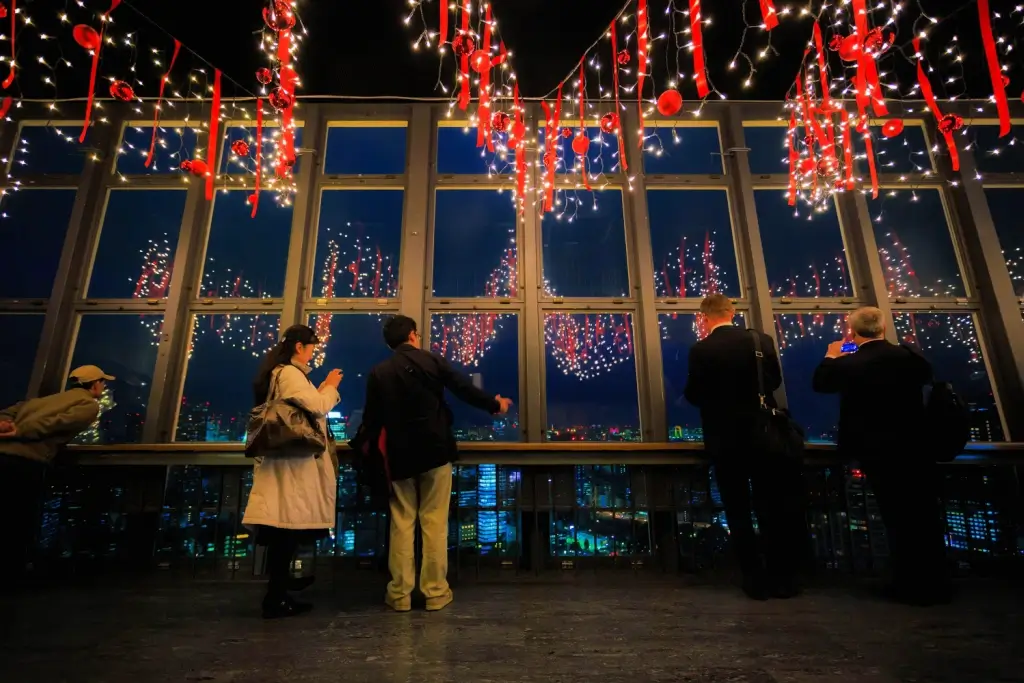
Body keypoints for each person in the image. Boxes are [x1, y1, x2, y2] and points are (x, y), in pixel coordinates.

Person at [361, 315, 511, 612]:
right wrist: (496, 404)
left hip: (399, 455)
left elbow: (371, 419)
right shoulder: (431, 362)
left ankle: (400, 594)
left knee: (402, 523)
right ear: (413, 335)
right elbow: (463, 389)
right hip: (435, 451)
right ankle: (434, 592)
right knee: (434, 522)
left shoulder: (379, 372)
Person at [812, 306, 950, 605]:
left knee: (896, 518)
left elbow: (820, 383)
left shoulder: (852, 363)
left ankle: (908, 584)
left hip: (877, 451)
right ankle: (936, 584)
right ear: (883, 328)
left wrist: (832, 355)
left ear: (854, 332)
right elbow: (928, 378)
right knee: (925, 517)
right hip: (916, 447)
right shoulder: (910, 357)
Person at [683, 294, 806, 600]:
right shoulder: (759, 341)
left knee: (737, 509)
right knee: (772, 507)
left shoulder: (702, 349)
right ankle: (783, 578)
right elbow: (774, 382)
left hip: (726, 439)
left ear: (704, 316)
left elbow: (694, 393)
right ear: (732, 311)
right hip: (764, 436)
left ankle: (754, 579)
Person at [242, 324, 343, 619]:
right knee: (285, 528)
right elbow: (318, 406)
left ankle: (280, 590)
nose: (314, 352)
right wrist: (331, 385)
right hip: (292, 463)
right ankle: (277, 596)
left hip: (285, 462)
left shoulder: (279, 373)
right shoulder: (289, 374)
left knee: (282, 527)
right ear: (300, 347)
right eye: (312, 347)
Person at [0, 365, 113, 584]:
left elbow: (7, 412)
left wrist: (7, 425)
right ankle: (10, 575)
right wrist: (22, 431)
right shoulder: (88, 404)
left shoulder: (40, 401)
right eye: (103, 382)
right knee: (17, 520)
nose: (104, 386)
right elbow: (58, 423)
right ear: (95, 384)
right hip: (25, 463)